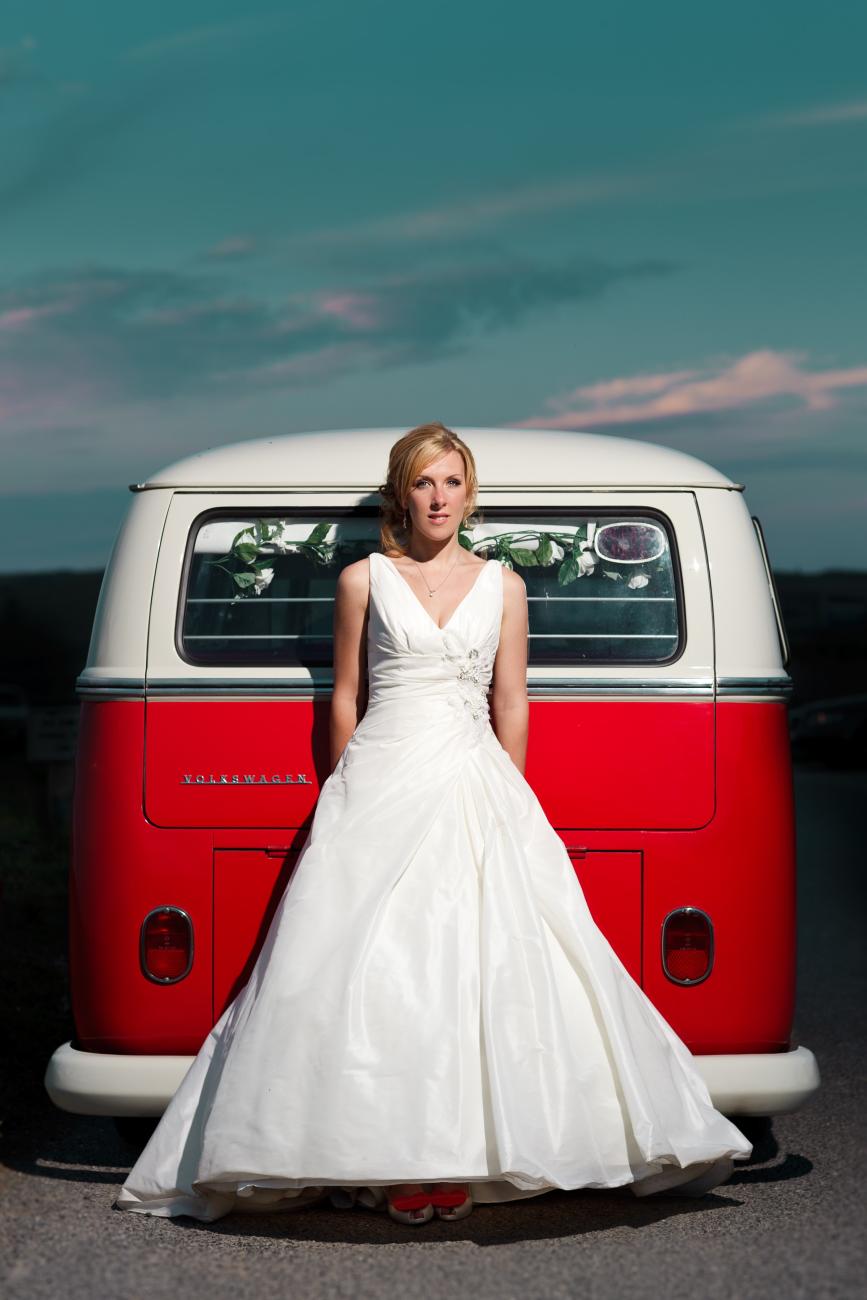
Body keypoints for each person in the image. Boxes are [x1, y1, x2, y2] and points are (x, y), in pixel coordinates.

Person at [114, 422, 752, 1227]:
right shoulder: (362, 579)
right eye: (423, 483)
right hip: (381, 770)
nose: (438, 498)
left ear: (469, 493)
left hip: (471, 772)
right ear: (400, 494)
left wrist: (506, 795)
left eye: (451, 482)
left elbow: (511, 700)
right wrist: (348, 786)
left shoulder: (503, 586)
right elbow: (345, 694)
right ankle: (365, 1154)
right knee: (364, 965)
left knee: (479, 961)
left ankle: (465, 1153)